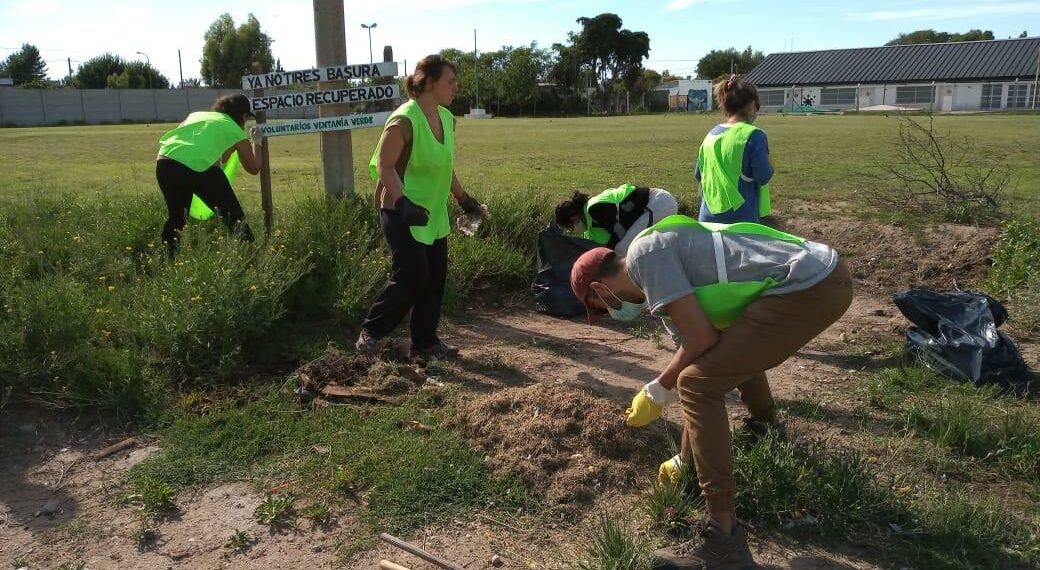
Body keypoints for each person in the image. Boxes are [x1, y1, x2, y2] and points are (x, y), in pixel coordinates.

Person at [570, 214, 853, 569]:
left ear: (599, 289)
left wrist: (659, 388)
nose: (611, 313)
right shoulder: (666, 290)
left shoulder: (646, 255)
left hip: (808, 284)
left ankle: (723, 541)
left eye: (600, 308)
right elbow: (706, 350)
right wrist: (683, 458)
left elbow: (700, 342)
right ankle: (766, 431)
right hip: (821, 276)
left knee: (696, 384)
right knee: (715, 363)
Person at [355, 54, 484, 360]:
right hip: (400, 211)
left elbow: (444, 165)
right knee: (413, 275)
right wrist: (403, 202)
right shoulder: (404, 120)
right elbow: (385, 166)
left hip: (433, 214)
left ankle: (425, 343)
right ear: (429, 83)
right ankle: (371, 333)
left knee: (434, 279)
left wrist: (464, 199)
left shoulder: (447, 119)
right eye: (450, 81)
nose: (456, 87)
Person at [155, 93, 262, 254]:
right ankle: (251, 255)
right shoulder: (235, 131)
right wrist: (257, 143)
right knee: (234, 217)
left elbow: (207, 150)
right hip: (196, 167)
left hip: (165, 162)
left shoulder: (196, 115)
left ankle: (166, 259)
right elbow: (254, 168)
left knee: (177, 218)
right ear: (243, 116)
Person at [695, 75, 773, 224]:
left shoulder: (710, 136)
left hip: (707, 219)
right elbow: (763, 176)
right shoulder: (754, 135)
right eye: (757, 106)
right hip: (740, 222)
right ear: (751, 105)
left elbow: (699, 175)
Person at [554, 185, 678, 255]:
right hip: (653, 207)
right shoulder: (591, 229)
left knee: (622, 249)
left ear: (573, 217)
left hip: (659, 202)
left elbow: (619, 231)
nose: (572, 230)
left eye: (569, 226)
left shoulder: (594, 208)